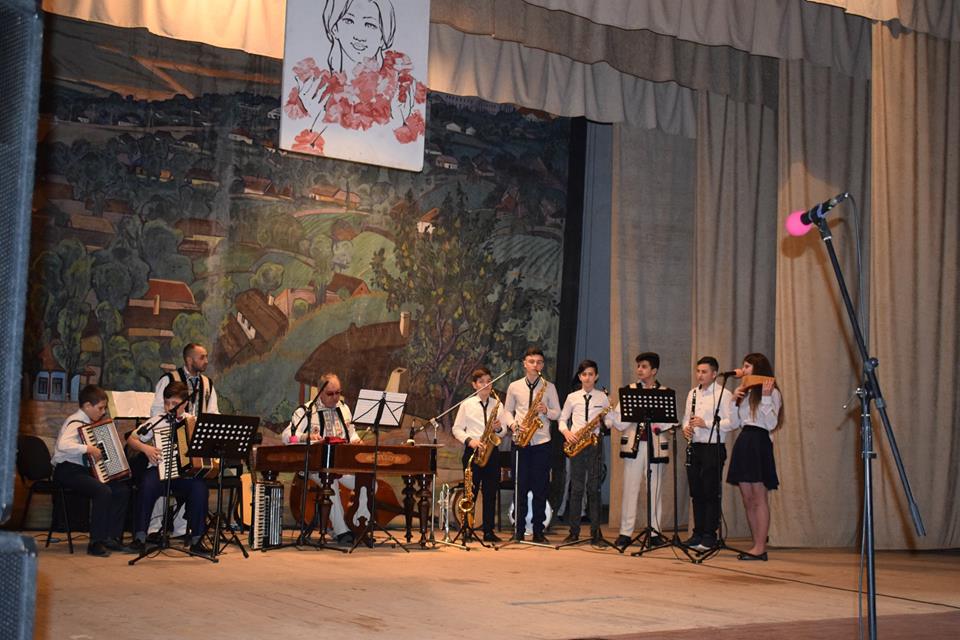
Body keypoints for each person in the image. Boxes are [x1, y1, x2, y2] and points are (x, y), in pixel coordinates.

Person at [284, 0, 427, 154]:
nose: (359, 35)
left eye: (370, 25)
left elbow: (400, 154)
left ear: (383, 36)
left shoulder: (401, 91)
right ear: (335, 28)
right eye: (349, 21)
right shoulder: (311, 86)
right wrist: (312, 114)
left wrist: (396, 123)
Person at [127, 381, 210, 554]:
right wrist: (146, 449)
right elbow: (131, 440)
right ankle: (140, 537)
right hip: (158, 471)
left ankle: (197, 539)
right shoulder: (157, 421)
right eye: (167, 403)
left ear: (185, 403)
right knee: (147, 484)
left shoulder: (192, 422)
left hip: (183, 475)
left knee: (199, 487)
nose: (169, 407)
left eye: (174, 403)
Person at [281, 373, 362, 545]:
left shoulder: (344, 409)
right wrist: (305, 437)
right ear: (319, 392)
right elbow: (287, 436)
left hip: (342, 465)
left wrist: (356, 440)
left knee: (368, 483)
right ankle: (341, 531)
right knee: (329, 482)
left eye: (338, 392)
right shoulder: (306, 411)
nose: (335, 397)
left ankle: (360, 526)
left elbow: (352, 432)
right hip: (315, 467)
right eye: (330, 394)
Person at [51, 385, 132, 557]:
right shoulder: (75, 422)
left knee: (121, 490)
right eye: (100, 408)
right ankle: (95, 542)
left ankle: (111, 537)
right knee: (102, 491)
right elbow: (63, 445)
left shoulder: (89, 424)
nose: (103, 412)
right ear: (87, 406)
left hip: (82, 471)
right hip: (66, 470)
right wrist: (88, 448)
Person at [147, 343, 218, 537]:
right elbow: (157, 409)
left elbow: (213, 413)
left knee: (193, 477)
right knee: (162, 478)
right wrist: (165, 433)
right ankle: (154, 529)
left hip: (193, 444)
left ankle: (181, 528)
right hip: (168, 440)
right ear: (189, 359)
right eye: (202, 357)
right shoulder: (169, 379)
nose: (206, 361)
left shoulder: (207, 383)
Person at [609, 352, 671, 550]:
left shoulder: (664, 392)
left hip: (655, 447)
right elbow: (619, 424)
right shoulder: (629, 391)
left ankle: (655, 533)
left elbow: (671, 421)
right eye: (638, 366)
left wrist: (656, 421)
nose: (639, 370)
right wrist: (614, 413)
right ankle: (625, 533)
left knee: (655, 490)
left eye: (644, 366)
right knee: (630, 489)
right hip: (634, 447)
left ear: (654, 370)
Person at [501, 347, 561, 543]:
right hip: (520, 441)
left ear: (543, 365)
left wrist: (546, 410)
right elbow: (507, 411)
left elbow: (558, 413)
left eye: (539, 362)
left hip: (542, 442)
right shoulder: (514, 386)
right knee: (520, 486)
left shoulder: (549, 387)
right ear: (524, 364)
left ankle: (538, 531)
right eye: (532, 361)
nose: (536, 365)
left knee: (540, 488)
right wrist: (513, 425)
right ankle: (518, 530)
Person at [726, 352, 782, 561]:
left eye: (747, 366)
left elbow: (771, 424)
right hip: (744, 440)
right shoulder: (745, 392)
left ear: (758, 369)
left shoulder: (772, 392)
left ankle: (760, 547)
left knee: (759, 497)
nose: (743, 370)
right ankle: (755, 543)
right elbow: (734, 423)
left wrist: (766, 398)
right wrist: (734, 401)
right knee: (747, 498)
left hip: (759, 442)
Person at [681, 356, 734, 551]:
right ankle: (698, 533)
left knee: (710, 491)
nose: (700, 375)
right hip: (695, 446)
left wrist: (707, 424)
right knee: (696, 492)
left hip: (713, 447)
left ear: (714, 374)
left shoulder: (724, 394)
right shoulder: (693, 393)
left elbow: (732, 422)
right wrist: (686, 429)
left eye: (704, 372)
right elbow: (686, 418)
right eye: (698, 371)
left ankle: (710, 534)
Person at [558, 360, 610, 549]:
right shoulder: (572, 397)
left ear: (596, 376)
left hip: (595, 445)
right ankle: (574, 532)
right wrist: (567, 432)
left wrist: (603, 423)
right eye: (584, 374)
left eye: (591, 374)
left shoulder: (603, 397)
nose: (587, 378)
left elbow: (610, 422)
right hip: (577, 444)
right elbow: (562, 420)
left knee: (594, 488)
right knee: (577, 488)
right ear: (580, 377)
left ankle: (596, 533)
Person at [451, 367, 507, 543]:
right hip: (473, 451)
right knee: (470, 493)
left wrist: (499, 428)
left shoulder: (498, 405)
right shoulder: (466, 405)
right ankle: (467, 528)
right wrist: (470, 441)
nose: (486, 384)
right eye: (481, 382)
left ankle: (488, 531)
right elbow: (456, 429)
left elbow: (504, 431)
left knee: (490, 493)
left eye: (489, 381)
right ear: (474, 385)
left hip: (492, 452)